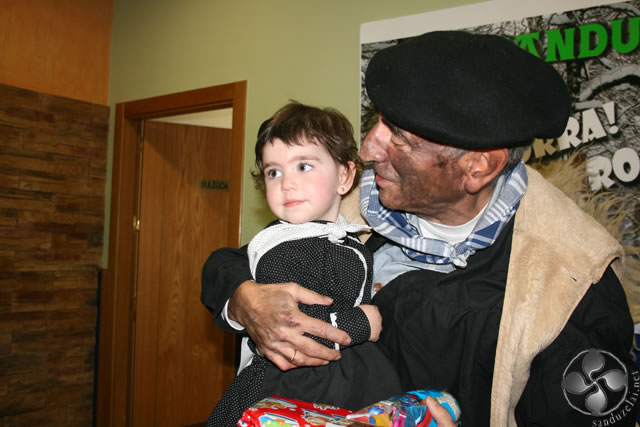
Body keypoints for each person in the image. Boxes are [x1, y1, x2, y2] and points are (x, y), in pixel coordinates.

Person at [202, 31, 639, 426]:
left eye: (399, 138)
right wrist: (244, 298)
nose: (368, 149)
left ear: (478, 167)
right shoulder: (354, 200)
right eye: (377, 122)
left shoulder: (570, 292)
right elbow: (245, 258)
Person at [205, 102, 402, 426]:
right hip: (297, 387)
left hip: (337, 377)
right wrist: (360, 323)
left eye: (304, 166)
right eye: (274, 172)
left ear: (344, 175)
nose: (286, 183)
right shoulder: (284, 248)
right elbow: (293, 326)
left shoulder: (334, 236)